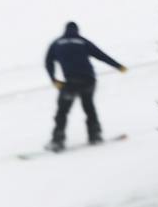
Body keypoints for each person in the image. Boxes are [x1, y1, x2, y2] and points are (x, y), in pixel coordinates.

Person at [44, 21, 127, 151]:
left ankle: (58, 140)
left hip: (71, 82)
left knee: (62, 111)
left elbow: (48, 62)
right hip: (89, 81)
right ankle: (95, 135)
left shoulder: (57, 43)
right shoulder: (82, 41)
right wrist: (118, 66)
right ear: (77, 30)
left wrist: (54, 79)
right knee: (89, 107)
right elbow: (101, 55)